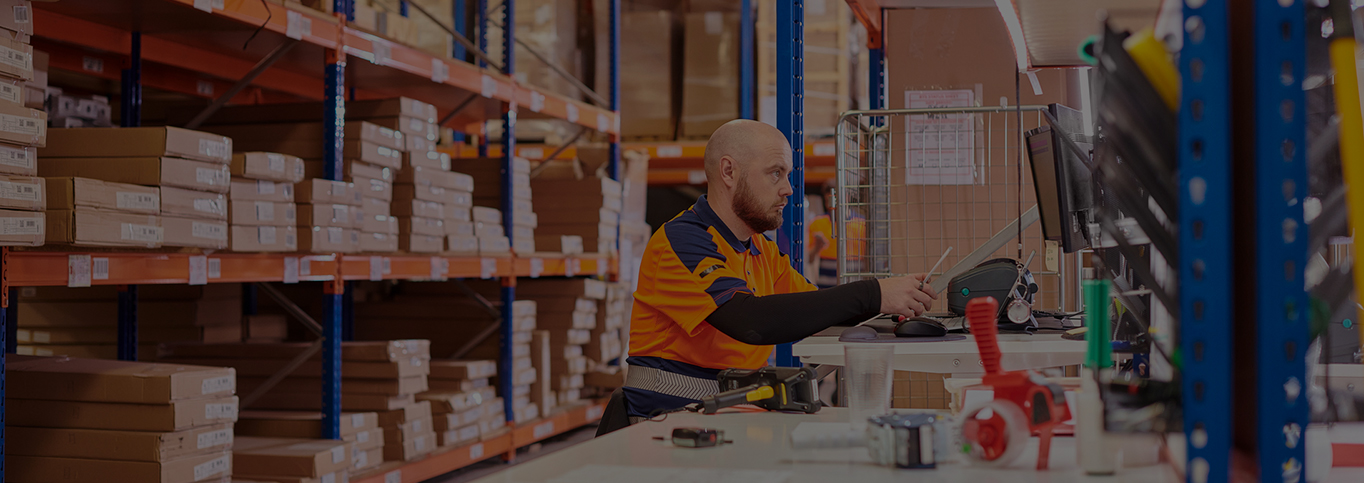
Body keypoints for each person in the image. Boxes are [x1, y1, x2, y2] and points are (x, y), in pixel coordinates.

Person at [620, 120, 938, 421]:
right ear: (728, 171)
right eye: (775, 173)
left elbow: (815, 308)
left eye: (787, 175)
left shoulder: (761, 248)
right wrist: (872, 293)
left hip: (730, 411)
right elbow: (750, 322)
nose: (788, 188)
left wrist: (893, 306)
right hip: (669, 419)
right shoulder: (682, 240)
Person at [807, 179, 866, 288]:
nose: (831, 207)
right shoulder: (817, 223)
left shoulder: (862, 225)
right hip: (826, 287)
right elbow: (808, 259)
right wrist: (817, 247)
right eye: (827, 202)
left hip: (854, 285)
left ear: (847, 198)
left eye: (835, 202)